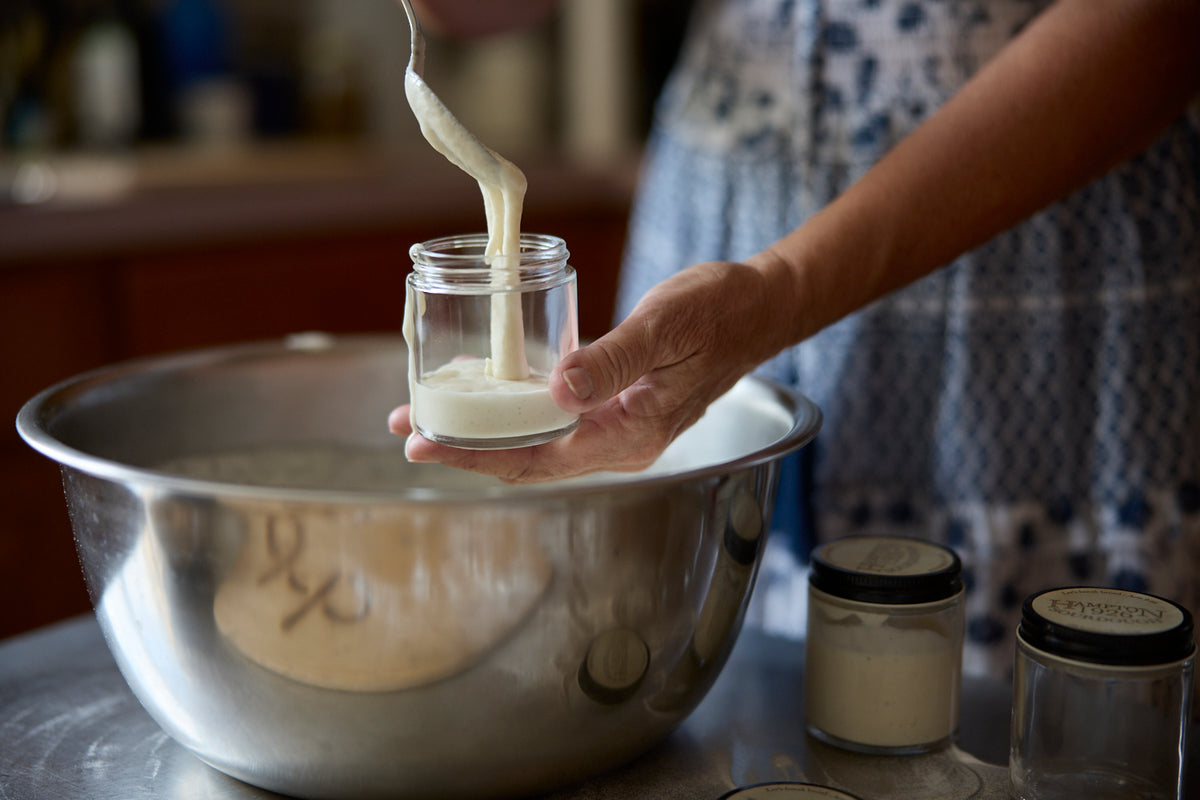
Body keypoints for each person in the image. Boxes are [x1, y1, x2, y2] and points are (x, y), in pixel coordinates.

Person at [393, 0, 1200, 678]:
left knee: (1008, 728)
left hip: (1024, 268)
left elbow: (1160, 25)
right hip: (717, 228)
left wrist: (786, 286)